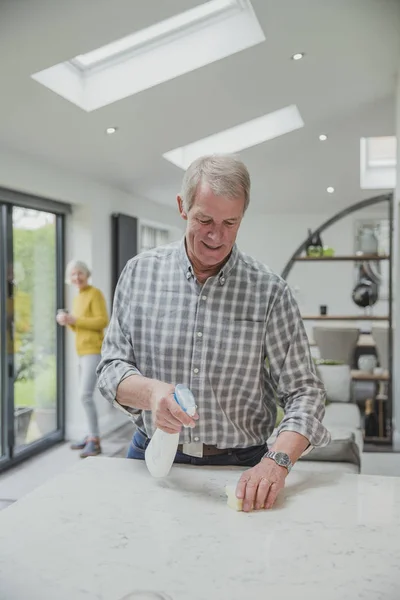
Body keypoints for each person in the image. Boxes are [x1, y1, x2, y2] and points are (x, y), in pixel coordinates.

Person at [97, 154, 331, 512]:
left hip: (241, 466)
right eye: (204, 219)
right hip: (150, 457)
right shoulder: (138, 274)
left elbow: (305, 392)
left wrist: (277, 462)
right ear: (182, 207)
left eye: (230, 222)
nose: (216, 235)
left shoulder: (270, 291)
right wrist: (152, 394)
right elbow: (111, 367)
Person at [57, 260, 108, 458]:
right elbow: (79, 326)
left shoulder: (95, 294)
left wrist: (74, 320)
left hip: (93, 350)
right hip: (82, 351)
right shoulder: (78, 297)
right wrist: (68, 321)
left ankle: (94, 440)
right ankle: (89, 435)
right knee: (84, 396)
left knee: (84, 395)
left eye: (80, 273)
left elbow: (102, 321)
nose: (77, 277)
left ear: (87, 274)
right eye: (73, 274)